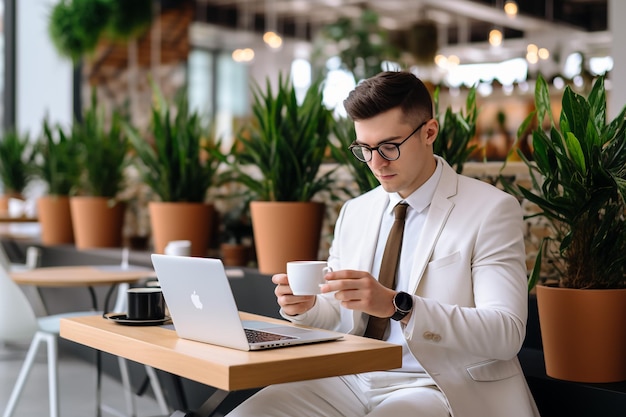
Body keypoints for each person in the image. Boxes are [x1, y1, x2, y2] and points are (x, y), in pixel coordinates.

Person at [226, 71, 540, 417]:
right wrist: (307, 307)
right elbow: (339, 318)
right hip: (349, 376)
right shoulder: (355, 212)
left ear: (429, 133)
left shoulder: (490, 209)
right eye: (365, 149)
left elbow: (506, 333)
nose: (376, 163)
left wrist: (398, 306)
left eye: (390, 146)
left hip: (435, 384)